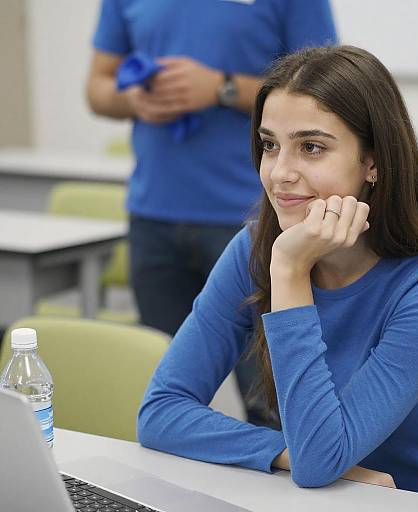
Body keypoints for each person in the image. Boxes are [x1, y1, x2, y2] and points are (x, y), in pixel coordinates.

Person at [137, 45, 418, 505]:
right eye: (270, 145)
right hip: (321, 497)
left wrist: (289, 271)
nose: (280, 173)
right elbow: (161, 412)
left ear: (374, 163)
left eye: (311, 147)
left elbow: (319, 462)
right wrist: (282, 452)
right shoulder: (252, 251)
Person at [86, 0, 337, 427]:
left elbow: (327, 90)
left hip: (257, 219)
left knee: (271, 403)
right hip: (153, 213)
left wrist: (220, 88)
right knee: (166, 390)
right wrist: (133, 99)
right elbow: (97, 87)